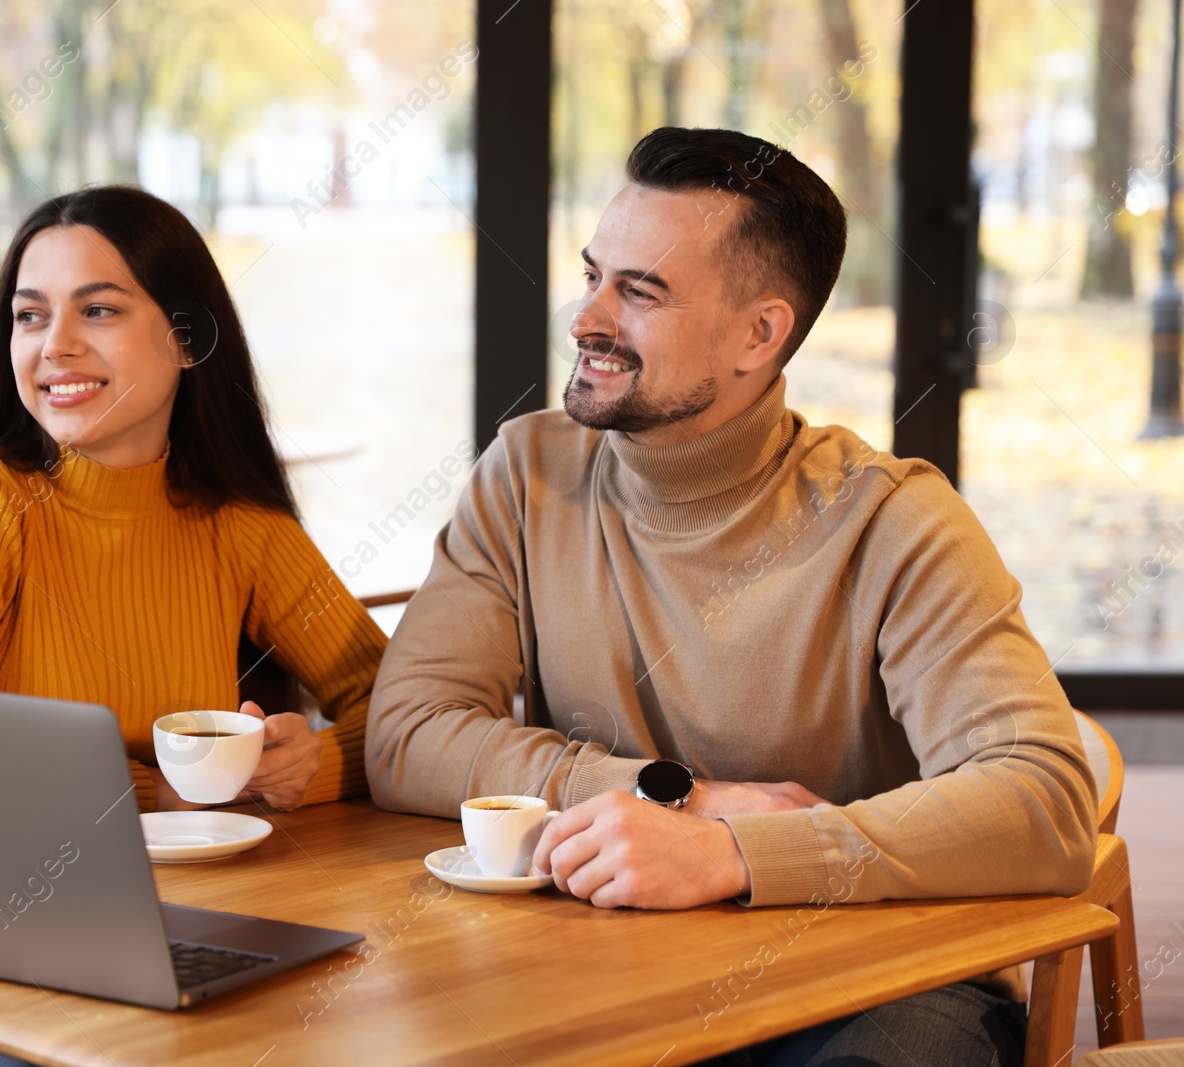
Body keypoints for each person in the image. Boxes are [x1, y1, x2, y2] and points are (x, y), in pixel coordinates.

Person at [365, 126, 1096, 1067]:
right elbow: (407, 731)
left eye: (640, 291)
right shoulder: (529, 473)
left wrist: (738, 856)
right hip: (600, 956)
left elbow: (1042, 799)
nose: (587, 316)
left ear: (761, 332)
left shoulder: (896, 519)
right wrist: (677, 801)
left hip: (864, 983)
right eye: (594, 274)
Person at [0, 185, 386, 1065]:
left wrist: (305, 766)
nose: (54, 345)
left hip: (133, 948)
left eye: (97, 309)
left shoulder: (241, 530)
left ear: (185, 336)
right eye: (30, 316)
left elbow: (406, 712)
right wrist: (160, 790)